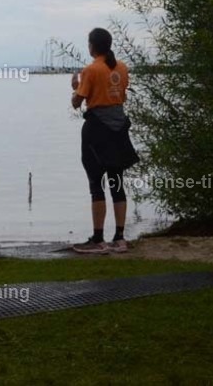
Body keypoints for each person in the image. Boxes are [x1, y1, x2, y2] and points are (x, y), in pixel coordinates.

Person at [70, 28, 133, 255]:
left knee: (96, 183)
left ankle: (98, 239)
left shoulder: (90, 70)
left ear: (92, 46)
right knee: (117, 182)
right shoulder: (122, 67)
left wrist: (76, 86)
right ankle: (120, 237)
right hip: (118, 129)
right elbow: (121, 96)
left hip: (96, 130)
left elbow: (77, 103)